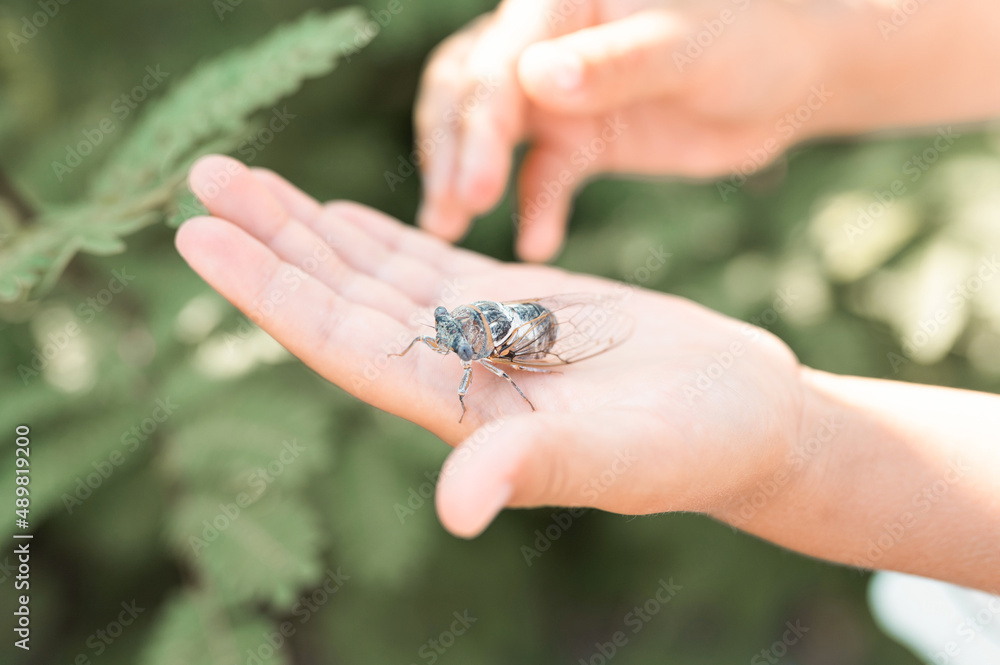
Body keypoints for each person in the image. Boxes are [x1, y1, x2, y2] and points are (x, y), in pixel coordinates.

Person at [175, 0, 1000, 595]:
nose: (455, 350)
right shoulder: (458, 334)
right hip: (518, 320)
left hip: (531, 336)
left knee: (520, 357)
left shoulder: (486, 356)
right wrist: (808, 44)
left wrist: (799, 448)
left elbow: (497, 365)